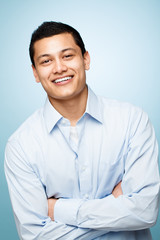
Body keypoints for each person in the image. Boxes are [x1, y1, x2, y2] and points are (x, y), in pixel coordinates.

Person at [4, 21, 159, 240]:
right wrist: (116, 206)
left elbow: (146, 212)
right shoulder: (21, 145)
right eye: (46, 61)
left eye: (67, 56)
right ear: (35, 72)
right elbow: (35, 236)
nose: (59, 68)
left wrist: (59, 210)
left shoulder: (132, 121)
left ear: (86, 59)